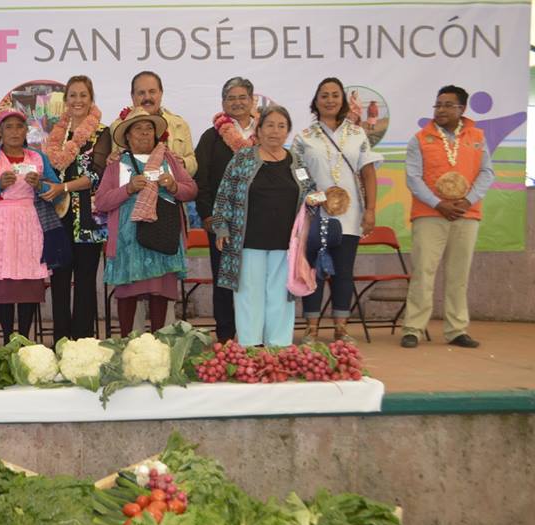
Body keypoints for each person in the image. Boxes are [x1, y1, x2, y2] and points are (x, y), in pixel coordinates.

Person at [400, 85, 494, 349]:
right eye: (438, 105)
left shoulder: (477, 136)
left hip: (466, 214)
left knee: (458, 274)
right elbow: (413, 178)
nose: (440, 110)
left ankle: (456, 330)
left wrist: (468, 201)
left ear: (461, 108)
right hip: (429, 214)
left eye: (447, 105)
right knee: (423, 272)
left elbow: (487, 172)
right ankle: (413, 329)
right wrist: (439, 204)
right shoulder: (420, 139)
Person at [211, 105, 313, 347]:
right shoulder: (243, 158)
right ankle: (251, 346)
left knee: (281, 295)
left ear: (288, 131)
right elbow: (224, 193)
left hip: (286, 243)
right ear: (259, 129)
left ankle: (278, 346)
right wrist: (221, 227)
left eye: (281, 126)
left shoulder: (297, 161)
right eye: (270, 125)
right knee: (249, 294)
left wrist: (317, 202)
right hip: (247, 240)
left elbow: (309, 193)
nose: (275, 131)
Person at [292, 77, 381, 344]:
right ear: (316, 101)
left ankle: (341, 328)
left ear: (342, 100)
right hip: (315, 215)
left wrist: (371, 210)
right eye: (324, 95)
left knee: (343, 271)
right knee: (313, 271)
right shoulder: (304, 137)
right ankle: (311, 329)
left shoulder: (357, 134)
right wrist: (313, 195)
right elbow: (297, 172)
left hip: (350, 216)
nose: (329, 100)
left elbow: (368, 172)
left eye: (335, 95)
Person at [95, 107, 198, 337]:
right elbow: (101, 201)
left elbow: (191, 190)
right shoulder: (117, 165)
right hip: (128, 242)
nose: (144, 133)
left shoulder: (169, 160)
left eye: (149, 128)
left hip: (163, 235)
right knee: (128, 294)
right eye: (138, 129)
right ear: (127, 136)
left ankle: (159, 346)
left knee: (160, 292)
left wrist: (174, 186)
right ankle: (128, 344)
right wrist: (128, 189)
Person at [0, 110, 66, 345]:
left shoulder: (38, 158)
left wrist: (40, 186)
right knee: (4, 285)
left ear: (26, 131)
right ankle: (7, 339)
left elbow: (57, 191)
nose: (14, 131)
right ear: (0, 132)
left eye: (19, 126)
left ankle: (24, 339)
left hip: (30, 225)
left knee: (28, 283)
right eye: (9, 127)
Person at [42, 75, 111, 342]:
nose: (78, 100)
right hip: (58, 216)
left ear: (91, 99)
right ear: (66, 100)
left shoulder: (101, 133)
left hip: (89, 218)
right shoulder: (56, 135)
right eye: (73, 95)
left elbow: (97, 175)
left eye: (83, 95)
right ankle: (60, 342)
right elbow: (48, 171)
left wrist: (64, 187)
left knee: (85, 281)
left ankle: (83, 343)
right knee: (59, 281)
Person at [195, 77, 258, 343]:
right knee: (224, 280)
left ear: (252, 100)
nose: (237, 102)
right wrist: (208, 215)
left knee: (254, 280)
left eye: (242, 97)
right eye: (231, 98)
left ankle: (254, 334)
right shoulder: (211, 137)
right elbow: (201, 179)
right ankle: (225, 335)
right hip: (223, 222)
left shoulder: (264, 133)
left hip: (259, 221)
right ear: (223, 103)